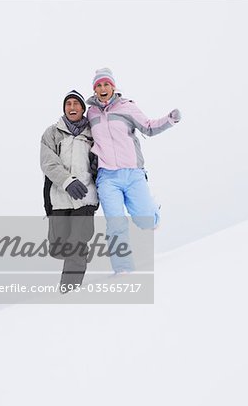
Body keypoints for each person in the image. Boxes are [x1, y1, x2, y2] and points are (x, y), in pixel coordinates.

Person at [86, 68, 181, 273]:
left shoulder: (127, 107)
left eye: (106, 84)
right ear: (94, 90)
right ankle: (123, 268)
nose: (103, 88)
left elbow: (148, 126)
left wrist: (169, 119)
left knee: (144, 219)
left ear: (113, 87)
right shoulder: (91, 113)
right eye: (98, 85)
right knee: (115, 224)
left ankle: (153, 214)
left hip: (133, 173)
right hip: (107, 177)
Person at [40, 90, 99, 293]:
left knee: (76, 245)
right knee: (58, 248)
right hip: (59, 198)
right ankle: (78, 252)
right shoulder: (52, 133)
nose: (72, 107)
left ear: (83, 108)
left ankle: (68, 291)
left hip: (86, 197)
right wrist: (67, 181)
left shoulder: (93, 132)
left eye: (76, 104)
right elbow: (48, 162)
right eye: (68, 104)